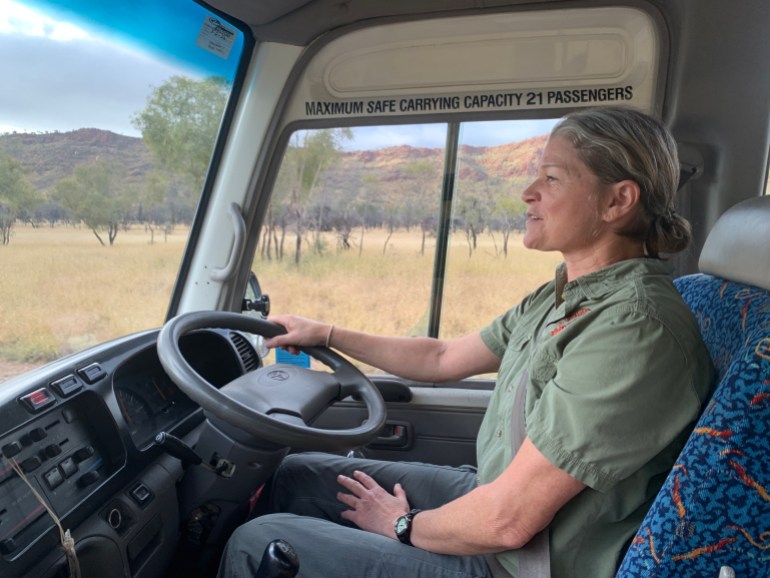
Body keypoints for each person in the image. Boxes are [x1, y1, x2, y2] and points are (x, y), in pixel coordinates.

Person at [217, 106, 714, 578]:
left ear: (617, 201)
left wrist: (401, 525)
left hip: (523, 561)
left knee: (257, 541)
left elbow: (508, 521)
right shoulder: (563, 295)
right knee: (295, 476)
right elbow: (443, 356)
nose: (528, 191)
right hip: (499, 505)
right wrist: (325, 333)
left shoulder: (634, 327)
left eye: (552, 178)